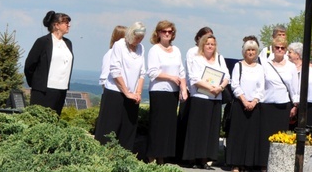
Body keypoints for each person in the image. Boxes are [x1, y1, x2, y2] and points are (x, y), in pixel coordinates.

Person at [94, 21, 147, 150]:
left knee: (128, 130)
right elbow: (115, 70)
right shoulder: (119, 45)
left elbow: (142, 72)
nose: (138, 41)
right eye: (136, 37)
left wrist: (138, 92)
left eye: (141, 38)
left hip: (132, 95)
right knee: (109, 130)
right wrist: (126, 92)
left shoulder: (141, 48)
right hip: (115, 93)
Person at [182, 32, 229, 169]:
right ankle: (193, 159)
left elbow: (227, 76)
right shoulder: (197, 59)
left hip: (215, 98)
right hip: (200, 97)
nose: (210, 46)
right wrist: (210, 87)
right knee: (198, 129)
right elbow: (194, 78)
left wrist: (219, 88)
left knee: (210, 130)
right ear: (203, 45)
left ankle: (205, 159)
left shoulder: (220, 58)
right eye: (208, 44)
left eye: (213, 44)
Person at [146, 20, 186, 165]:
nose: (167, 34)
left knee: (168, 126)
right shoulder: (154, 50)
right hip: (159, 91)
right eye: (164, 31)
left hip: (173, 92)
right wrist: (170, 77)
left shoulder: (176, 50)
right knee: (157, 125)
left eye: (170, 31)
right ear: (158, 33)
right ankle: (152, 156)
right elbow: (152, 72)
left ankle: (162, 157)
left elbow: (181, 71)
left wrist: (183, 89)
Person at [226, 36, 265, 172]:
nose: (251, 52)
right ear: (244, 51)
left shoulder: (260, 68)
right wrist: (244, 100)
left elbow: (261, 87)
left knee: (251, 136)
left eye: (253, 50)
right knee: (238, 135)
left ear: (256, 52)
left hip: (254, 107)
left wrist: (254, 101)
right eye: (248, 50)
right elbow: (235, 84)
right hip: (240, 105)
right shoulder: (238, 65)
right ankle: (235, 164)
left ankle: (247, 164)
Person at [24, 10, 74, 116]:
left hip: (61, 90)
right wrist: (36, 84)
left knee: (54, 121)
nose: (69, 25)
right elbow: (29, 65)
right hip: (43, 90)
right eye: (66, 22)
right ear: (56, 25)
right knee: (39, 120)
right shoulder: (42, 42)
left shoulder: (68, 43)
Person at [259, 36, 299, 167]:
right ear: (273, 48)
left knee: (281, 136)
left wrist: (295, 105)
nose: (280, 50)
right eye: (277, 47)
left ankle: (278, 164)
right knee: (266, 136)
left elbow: (294, 88)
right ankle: (264, 165)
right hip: (267, 104)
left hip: (284, 106)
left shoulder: (291, 66)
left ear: (286, 50)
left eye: (282, 48)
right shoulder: (265, 64)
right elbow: (261, 85)